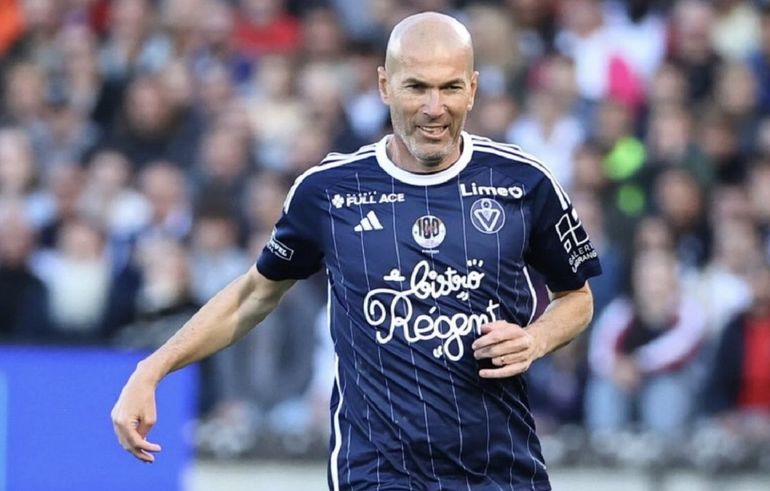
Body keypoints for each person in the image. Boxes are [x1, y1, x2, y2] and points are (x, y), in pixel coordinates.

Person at [111, 12, 601, 490]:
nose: (435, 107)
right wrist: (153, 367)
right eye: (417, 87)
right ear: (385, 85)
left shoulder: (523, 183)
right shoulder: (328, 191)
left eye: (450, 87)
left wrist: (534, 341)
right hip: (376, 472)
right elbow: (252, 296)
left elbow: (577, 299)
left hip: (501, 469)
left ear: (472, 87)